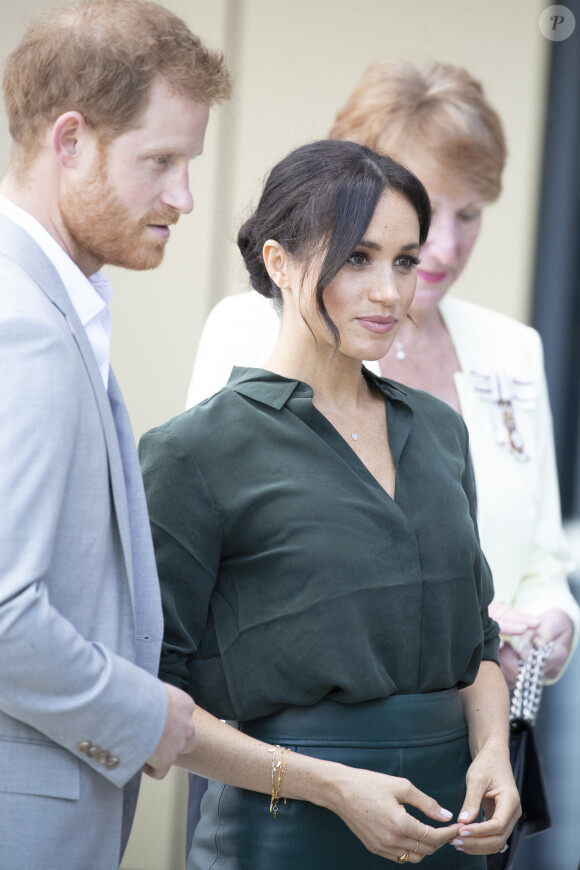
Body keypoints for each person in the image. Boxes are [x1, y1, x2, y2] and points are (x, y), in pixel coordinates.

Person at [140, 139, 520, 869]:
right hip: (285, 831)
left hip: (452, 827)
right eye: (357, 258)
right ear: (279, 264)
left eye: (404, 260)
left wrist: (494, 753)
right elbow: (152, 694)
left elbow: (476, 644)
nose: (389, 292)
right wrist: (329, 785)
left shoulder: (439, 432)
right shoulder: (195, 452)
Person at [185, 60, 579, 687]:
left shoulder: (512, 349)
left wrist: (552, 620)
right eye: (427, 208)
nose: (444, 247)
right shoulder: (252, 328)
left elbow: (542, 558)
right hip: (297, 735)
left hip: (484, 732)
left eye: (470, 214)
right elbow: (215, 552)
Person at [0, 2, 230, 868]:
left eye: (189, 162)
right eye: (159, 161)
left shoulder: (49, 307)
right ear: (69, 142)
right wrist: (146, 715)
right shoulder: (23, 325)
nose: (184, 197)